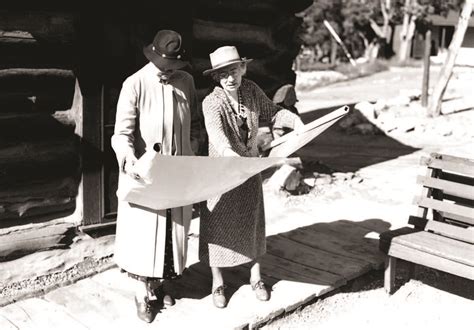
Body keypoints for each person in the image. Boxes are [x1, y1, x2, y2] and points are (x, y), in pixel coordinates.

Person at [199, 46, 304, 308]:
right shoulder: (212, 102)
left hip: (249, 171)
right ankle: (218, 282)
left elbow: (274, 112)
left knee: (253, 222)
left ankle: (256, 277)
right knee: (217, 226)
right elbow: (216, 133)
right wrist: (227, 153)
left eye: (234, 71)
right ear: (216, 77)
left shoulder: (252, 91)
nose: (230, 78)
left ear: (243, 69)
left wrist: (297, 123)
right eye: (223, 74)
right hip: (221, 173)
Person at [111, 29, 200, 323]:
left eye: (176, 65)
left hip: (177, 172)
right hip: (145, 173)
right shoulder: (134, 84)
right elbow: (121, 134)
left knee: (172, 231)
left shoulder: (186, 82)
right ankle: (142, 294)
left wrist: (193, 156)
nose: (173, 70)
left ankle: (162, 284)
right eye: (169, 65)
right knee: (145, 234)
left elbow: (193, 125)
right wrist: (129, 159)